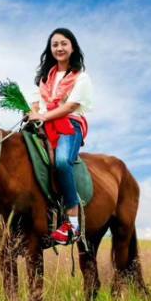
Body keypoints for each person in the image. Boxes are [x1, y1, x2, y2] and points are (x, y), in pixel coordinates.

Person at [28, 27, 93, 245]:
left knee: (63, 161)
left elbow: (71, 106)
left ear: (72, 47)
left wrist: (42, 117)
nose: (59, 48)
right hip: (44, 123)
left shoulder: (81, 78)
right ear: (50, 49)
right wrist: (33, 113)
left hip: (70, 124)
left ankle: (72, 223)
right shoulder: (44, 79)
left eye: (64, 43)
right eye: (54, 44)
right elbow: (35, 103)